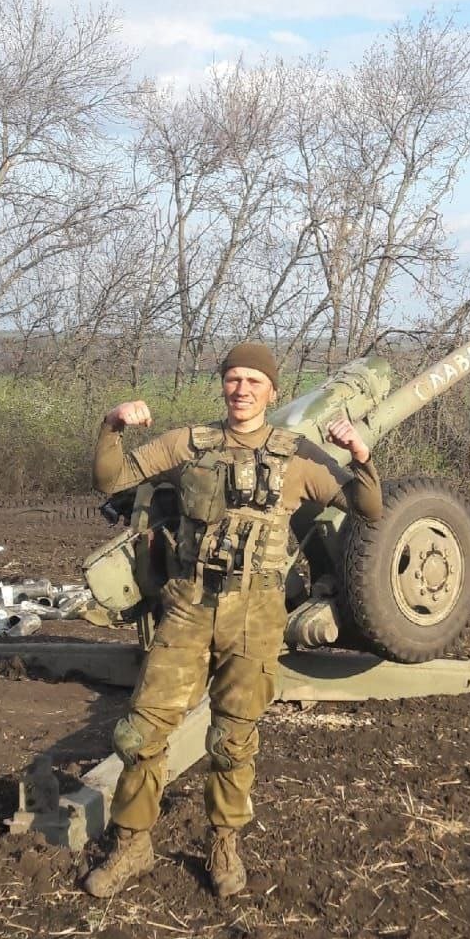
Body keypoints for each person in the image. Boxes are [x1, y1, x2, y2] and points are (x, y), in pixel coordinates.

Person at [84, 341, 382, 899]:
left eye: (254, 381)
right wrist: (112, 424)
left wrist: (360, 456)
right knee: (140, 732)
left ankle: (223, 846)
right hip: (189, 606)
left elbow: (368, 508)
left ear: (272, 391)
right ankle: (132, 846)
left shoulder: (298, 457)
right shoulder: (190, 443)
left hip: (256, 613)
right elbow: (110, 478)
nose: (242, 390)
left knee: (233, 739)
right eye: (233, 379)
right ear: (223, 384)